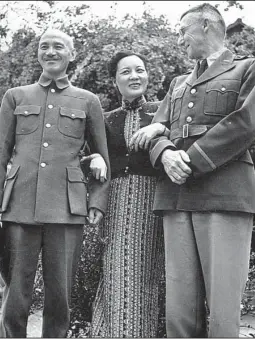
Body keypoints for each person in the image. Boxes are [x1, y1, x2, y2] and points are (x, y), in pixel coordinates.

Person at [140, 3, 255, 337]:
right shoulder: (177, 83)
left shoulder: (250, 67)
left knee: (223, 310)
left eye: (183, 30)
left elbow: (244, 124)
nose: (179, 38)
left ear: (208, 26)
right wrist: (165, 153)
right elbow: (155, 129)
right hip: (177, 195)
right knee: (180, 309)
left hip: (225, 193)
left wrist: (189, 160)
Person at [0, 29, 110, 338]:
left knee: (60, 292)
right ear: (38, 54)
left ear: (72, 55)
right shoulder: (16, 96)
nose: (51, 52)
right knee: (17, 289)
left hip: (67, 208)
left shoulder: (88, 101)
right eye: (44, 47)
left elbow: (102, 156)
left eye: (59, 47)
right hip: (19, 204)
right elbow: (0, 150)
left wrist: (97, 202)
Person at [83, 51, 169, 338]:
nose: (135, 76)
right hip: (117, 202)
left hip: (154, 202)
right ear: (115, 81)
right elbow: (87, 156)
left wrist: (161, 126)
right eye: (126, 72)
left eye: (140, 70)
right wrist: (92, 161)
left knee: (149, 275)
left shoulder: (162, 111)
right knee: (116, 272)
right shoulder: (105, 119)